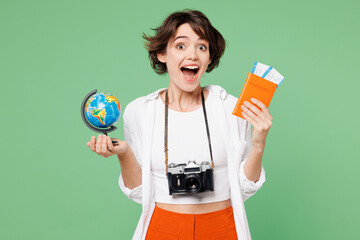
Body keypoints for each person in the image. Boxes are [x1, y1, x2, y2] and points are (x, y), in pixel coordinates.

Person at [87, 9, 272, 240]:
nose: (193, 55)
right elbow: (140, 191)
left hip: (222, 226)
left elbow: (246, 186)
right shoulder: (140, 111)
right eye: (181, 46)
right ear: (162, 53)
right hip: (163, 225)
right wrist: (124, 153)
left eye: (202, 47)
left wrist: (259, 143)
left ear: (210, 57)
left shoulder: (231, 108)